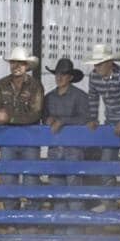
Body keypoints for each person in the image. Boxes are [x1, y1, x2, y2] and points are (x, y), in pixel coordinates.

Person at [0, 46, 44, 207]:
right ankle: (11, 219)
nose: (16, 66)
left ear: (27, 65)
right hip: (8, 139)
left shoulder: (36, 86)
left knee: (31, 179)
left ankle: (31, 219)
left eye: (20, 63)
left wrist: (9, 117)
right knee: (8, 180)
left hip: (30, 139)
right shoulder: (1, 84)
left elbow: (36, 114)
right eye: (13, 62)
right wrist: (2, 117)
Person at [83, 44, 120, 191]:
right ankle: (110, 200)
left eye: (99, 64)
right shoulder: (94, 76)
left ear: (109, 63)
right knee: (106, 161)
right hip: (111, 122)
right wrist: (93, 118)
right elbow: (93, 98)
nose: (96, 67)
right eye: (95, 64)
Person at [42, 58, 88, 211]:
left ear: (70, 77)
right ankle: (60, 230)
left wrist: (62, 121)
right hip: (55, 149)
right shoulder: (48, 97)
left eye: (63, 74)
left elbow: (84, 119)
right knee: (57, 193)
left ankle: (73, 231)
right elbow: (44, 117)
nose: (59, 77)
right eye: (57, 74)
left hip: (73, 149)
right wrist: (48, 119)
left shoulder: (80, 96)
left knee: (74, 192)